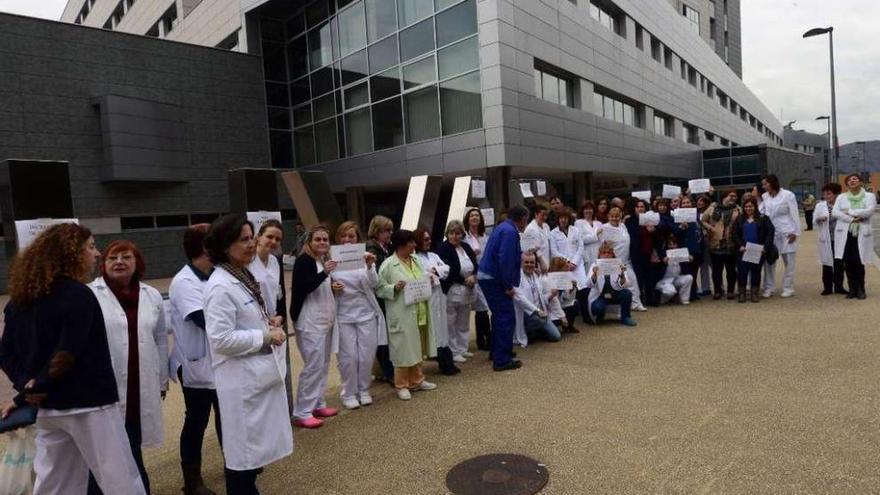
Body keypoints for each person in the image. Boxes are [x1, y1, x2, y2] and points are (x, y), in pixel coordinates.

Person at [0, 224, 146, 494]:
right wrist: (33, 388)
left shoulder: (19, 301)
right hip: (89, 404)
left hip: (48, 408)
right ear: (71, 254)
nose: (97, 253)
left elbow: (6, 353)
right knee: (119, 479)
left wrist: (27, 388)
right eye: (90, 247)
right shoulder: (78, 294)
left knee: (55, 482)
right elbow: (68, 352)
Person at [204, 214, 292, 493]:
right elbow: (220, 339)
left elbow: (243, 319)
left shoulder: (240, 274)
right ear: (225, 244)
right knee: (242, 459)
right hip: (241, 384)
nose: (251, 244)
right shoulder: (220, 286)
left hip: (254, 380)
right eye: (244, 239)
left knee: (251, 458)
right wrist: (265, 335)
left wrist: (267, 322)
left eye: (251, 237)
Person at [88, 240, 168, 495]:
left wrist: (162, 380)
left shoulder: (152, 295)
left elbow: (160, 339)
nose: (119, 262)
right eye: (113, 258)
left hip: (139, 385)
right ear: (104, 264)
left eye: (126, 257)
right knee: (102, 455)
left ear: (137, 263)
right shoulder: (91, 294)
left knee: (131, 447)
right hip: (104, 388)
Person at [168, 224, 222, 495]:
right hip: (196, 363)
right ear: (204, 247)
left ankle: (236, 464)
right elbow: (204, 320)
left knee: (227, 415)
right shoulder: (184, 282)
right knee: (197, 420)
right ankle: (192, 482)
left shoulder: (215, 275)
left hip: (221, 361)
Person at [376, 229, 438, 400]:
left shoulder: (416, 259)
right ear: (401, 244)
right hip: (401, 312)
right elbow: (379, 289)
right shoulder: (388, 265)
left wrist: (429, 279)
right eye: (411, 242)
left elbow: (422, 277)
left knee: (416, 345)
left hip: (419, 309)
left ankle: (417, 379)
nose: (414, 245)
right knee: (402, 348)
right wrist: (393, 288)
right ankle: (401, 384)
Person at [290, 225, 340, 428]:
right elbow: (306, 286)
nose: (322, 242)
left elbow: (319, 285)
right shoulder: (304, 261)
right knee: (313, 366)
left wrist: (331, 284)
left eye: (325, 239)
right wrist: (325, 275)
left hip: (324, 320)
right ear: (309, 242)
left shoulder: (320, 261)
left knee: (323, 364)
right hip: (310, 322)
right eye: (318, 239)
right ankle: (302, 411)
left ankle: (317, 403)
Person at [331, 221, 384, 409]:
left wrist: (370, 267)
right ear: (338, 238)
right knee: (348, 357)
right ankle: (348, 393)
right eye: (343, 236)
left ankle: (364, 390)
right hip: (343, 315)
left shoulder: (364, 258)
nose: (347, 239)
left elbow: (374, 284)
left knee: (366, 355)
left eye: (351, 236)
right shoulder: (331, 260)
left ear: (357, 238)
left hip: (366, 313)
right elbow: (322, 284)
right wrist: (331, 286)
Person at [247, 220, 293, 418]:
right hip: (257, 324)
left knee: (279, 373)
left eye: (278, 239)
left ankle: (280, 416)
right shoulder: (247, 263)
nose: (273, 242)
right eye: (270, 236)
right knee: (261, 376)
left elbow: (278, 293)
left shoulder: (275, 262)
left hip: (276, 324)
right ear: (258, 237)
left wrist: (281, 315)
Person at [478, 205, 529, 371]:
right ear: (522, 218)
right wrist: (507, 285)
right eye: (526, 220)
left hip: (488, 275)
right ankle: (502, 360)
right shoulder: (510, 232)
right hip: (495, 278)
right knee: (506, 316)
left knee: (498, 316)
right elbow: (505, 259)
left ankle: (498, 351)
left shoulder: (502, 227)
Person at [413, 227, 457, 376]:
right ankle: (441, 359)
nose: (428, 241)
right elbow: (420, 275)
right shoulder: (415, 258)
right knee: (434, 328)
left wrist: (435, 271)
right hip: (427, 295)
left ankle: (447, 359)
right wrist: (433, 271)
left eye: (429, 238)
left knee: (443, 326)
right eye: (425, 239)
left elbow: (446, 269)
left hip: (439, 293)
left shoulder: (433, 255)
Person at [437, 220, 478, 365]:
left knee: (464, 321)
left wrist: (474, 276)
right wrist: (464, 280)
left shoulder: (466, 247)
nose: (455, 236)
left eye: (458, 233)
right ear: (447, 234)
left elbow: (475, 264)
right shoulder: (443, 248)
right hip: (452, 289)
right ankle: (453, 351)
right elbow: (449, 270)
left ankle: (463, 347)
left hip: (467, 289)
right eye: (452, 233)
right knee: (451, 322)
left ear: (462, 234)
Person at [756, 175, 801, 298]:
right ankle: (769, 287)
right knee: (769, 261)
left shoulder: (788, 195)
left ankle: (788, 287)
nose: (764, 187)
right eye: (763, 185)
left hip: (787, 231)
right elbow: (761, 212)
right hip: (771, 232)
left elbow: (795, 213)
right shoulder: (765, 197)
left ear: (772, 183)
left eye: (766, 184)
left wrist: (795, 232)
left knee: (789, 262)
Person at [833, 173, 876, 299]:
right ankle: (852, 289)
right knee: (848, 262)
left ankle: (861, 289)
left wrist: (849, 212)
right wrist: (851, 219)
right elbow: (835, 212)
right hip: (846, 233)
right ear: (846, 184)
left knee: (859, 261)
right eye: (849, 180)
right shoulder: (841, 197)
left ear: (860, 182)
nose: (852, 181)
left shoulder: (869, 196)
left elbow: (869, 210)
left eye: (855, 179)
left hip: (861, 233)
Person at [366, 215, 395, 383]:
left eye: (391, 230)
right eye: (387, 230)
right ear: (377, 231)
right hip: (378, 296)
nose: (390, 233)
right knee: (382, 335)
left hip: (385, 294)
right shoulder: (372, 248)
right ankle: (386, 370)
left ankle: (386, 369)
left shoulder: (385, 247)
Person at [731, 197, 776, 303]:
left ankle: (754, 293)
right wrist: (740, 245)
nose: (748, 208)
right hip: (743, 251)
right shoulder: (739, 219)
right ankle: (742, 293)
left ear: (755, 206)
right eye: (746, 206)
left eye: (750, 206)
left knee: (756, 272)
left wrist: (765, 247)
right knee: (742, 272)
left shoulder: (763, 218)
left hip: (757, 250)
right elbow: (734, 234)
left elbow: (770, 233)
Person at [600, 206, 645, 311]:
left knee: (633, 281)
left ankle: (636, 304)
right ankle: (620, 307)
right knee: (620, 284)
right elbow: (602, 245)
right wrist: (606, 244)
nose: (614, 218)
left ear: (620, 217)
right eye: (612, 216)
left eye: (617, 216)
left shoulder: (623, 226)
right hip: (613, 262)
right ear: (608, 217)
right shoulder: (604, 227)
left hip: (626, 261)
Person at [513, 252, 562, 343]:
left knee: (556, 336)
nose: (529, 265)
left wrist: (551, 295)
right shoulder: (516, 277)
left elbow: (541, 297)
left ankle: (536, 332)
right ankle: (528, 331)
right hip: (527, 313)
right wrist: (537, 311)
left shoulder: (535, 276)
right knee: (539, 320)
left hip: (541, 313)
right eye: (526, 262)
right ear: (521, 263)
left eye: (532, 262)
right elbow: (520, 299)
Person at [586, 242, 638, 327]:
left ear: (612, 254)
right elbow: (588, 285)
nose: (606, 255)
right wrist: (594, 274)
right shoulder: (594, 266)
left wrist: (622, 276)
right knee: (597, 307)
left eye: (608, 252)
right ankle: (600, 315)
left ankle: (625, 317)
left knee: (627, 293)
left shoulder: (618, 265)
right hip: (601, 296)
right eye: (604, 253)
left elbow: (626, 284)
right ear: (600, 254)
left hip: (615, 294)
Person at [463, 207, 492, 352]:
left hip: (485, 274)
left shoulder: (484, 235)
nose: (474, 218)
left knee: (483, 307)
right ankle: (484, 338)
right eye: (472, 216)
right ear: (467, 219)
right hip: (472, 275)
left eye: (477, 215)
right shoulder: (464, 236)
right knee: (481, 307)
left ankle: (484, 337)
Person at [702, 189, 740, 300]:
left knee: (731, 270)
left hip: (730, 243)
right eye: (731, 196)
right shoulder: (713, 208)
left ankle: (730, 291)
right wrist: (710, 228)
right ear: (724, 196)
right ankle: (718, 291)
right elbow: (703, 220)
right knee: (717, 270)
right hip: (715, 243)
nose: (733, 198)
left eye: (735, 196)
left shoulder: (737, 209)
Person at [550, 208, 588, 320]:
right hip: (562, 267)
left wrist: (574, 262)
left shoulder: (575, 230)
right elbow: (554, 251)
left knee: (582, 289)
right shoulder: (553, 233)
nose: (563, 220)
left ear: (569, 219)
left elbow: (580, 247)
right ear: (558, 219)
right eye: (561, 218)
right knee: (567, 291)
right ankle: (567, 319)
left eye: (566, 218)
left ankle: (585, 316)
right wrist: (566, 263)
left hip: (577, 265)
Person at [813, 183, 847, 295]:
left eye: (829, 194)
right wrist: (819, 219)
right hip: (827, 238)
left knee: (839, 262)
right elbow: (814, 221)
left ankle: (839, 286)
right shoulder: (820, 206)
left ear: (836, 194)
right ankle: (827, 287)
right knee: (827, 263)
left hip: (840, 237)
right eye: (825, 194)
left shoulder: (842, 205)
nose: (826, 196)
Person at [624, 200, 657, 308]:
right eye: (637, 207)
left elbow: (658, 237)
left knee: (650, 277)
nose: (640, 208)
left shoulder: (651, 220)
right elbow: (632, 236)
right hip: (636, 254)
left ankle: (650, 299)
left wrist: (653, 231)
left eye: (642, 206)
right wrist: (647, 231)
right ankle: (639, 300)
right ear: (634, 208)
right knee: (638, 278)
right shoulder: (630, 220)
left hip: (649, 253)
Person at [676, 196, 704, 301]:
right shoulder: (677, 217)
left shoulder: (695, 216)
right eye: (684, 203)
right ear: (680, 205)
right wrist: (681, 227)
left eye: (688, 202)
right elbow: (675, 234)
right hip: (685, 249)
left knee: (694, 272)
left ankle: (693, 292)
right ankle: (687, 295)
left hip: (696, 248)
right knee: (687, 273)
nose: (686, 204)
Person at [653, 234, 694, 305]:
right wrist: (662, 262)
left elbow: (687, 271)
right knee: (671, 291)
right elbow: (656, 271)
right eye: (670, 244)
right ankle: (660, 300)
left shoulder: (681, 255)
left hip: (675, 280)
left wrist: (689, 260)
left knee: (689, 278)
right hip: (663, 281)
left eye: (674, 244)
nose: (672, 247)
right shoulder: (662, 254)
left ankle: (684, 299)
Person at [524, 203, 552, 271]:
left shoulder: (546, 226)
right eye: (542, 215)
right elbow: (535, 248)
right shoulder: (531, 228)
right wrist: (542, 263)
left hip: (547, 258)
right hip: (537, 262)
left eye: (546, 215)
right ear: (536, 214)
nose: (545, 217)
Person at [695, 195, 713, 296]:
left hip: (709, 239)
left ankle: (720, 286)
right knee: (703, 265)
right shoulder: (694, 213)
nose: (699, 203)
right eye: (698, 201)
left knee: (713, 264)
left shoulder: (711, 212)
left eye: (702, 201)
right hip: (699, 241)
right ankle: (706, 288)